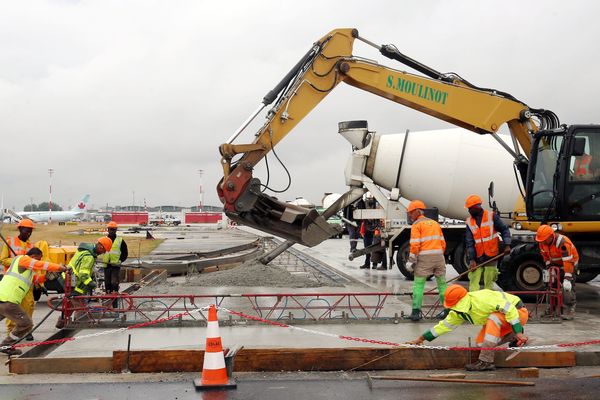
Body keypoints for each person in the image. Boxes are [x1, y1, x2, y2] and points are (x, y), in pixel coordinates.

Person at [408, 284, 529, 371]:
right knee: (481, 345)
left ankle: (486, 362)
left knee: (494, 318)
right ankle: (513, 337)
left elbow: (510, 309)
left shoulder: (482, 300)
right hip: (505, 321)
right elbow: (443, 326)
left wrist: (518, 330)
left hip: (518, 312)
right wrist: (421, 338)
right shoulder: (458, 312)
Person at [0, 248, 66, 355]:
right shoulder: (23, 259)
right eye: (38, 258)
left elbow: (36, 280)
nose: (38, 261)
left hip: (3, 297)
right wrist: (60, 268)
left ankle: (6, 345)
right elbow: (41, 265)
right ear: (34, 256)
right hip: (8, 299)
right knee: (26, 324)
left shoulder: (26, 270)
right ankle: (6, 345)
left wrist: (46, 277)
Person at [56, 237, 112, 328]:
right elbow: (83, 274)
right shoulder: (88, 256)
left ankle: (61, 322)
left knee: (71, 302)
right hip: (72, 283)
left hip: (68, 280)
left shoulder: (84, 251)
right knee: (80, 306)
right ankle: (80, 326)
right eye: (104, 251)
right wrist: (92, 284)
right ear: (101, 247)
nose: (103, 253)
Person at [405, 200, 447, 321]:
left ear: (418, 212)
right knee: (442, 284)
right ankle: (447, 310)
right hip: (439, 257)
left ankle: (416, 312)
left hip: (424, 259)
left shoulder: (417, 225)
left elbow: (415, 245)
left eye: (411, 213)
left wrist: (411, 261)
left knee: (418, 285)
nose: (409, 215)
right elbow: (443, 243)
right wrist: (438, 255)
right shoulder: (435, 224)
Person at [1, 219, 40, 341]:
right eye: (26, 230)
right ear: (20, 229)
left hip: (26, 282)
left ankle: (26, 330)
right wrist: (19, 261)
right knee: (13, 307)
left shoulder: (31, 246)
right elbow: (3, 259)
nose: (28, 233)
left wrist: (39, 282)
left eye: (30, 231)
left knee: (29, 305)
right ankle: (11, 332)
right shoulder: (10, 242)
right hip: (13, 281)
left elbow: (34, 265)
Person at [463, 194, 511, 292]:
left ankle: (487, 303)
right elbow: (469, 242)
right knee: (473, 282)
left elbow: (504, 229)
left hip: (492, 255)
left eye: (470, 208)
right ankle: (474, 300)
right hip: (478, 257)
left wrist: (507, 244)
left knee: (488, 284)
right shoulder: (469, 222)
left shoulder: (491, 216)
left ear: (476, 207)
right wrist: (472, 260)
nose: (468, 211)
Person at [535, 225, 579, 320]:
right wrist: (550, 267)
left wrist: (567, 278)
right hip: (555, 264)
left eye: (544, 239)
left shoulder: (563, 243)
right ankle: (551, 308)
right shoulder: (542, 242)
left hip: (569, 264)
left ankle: (568, 310)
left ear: (551, 236)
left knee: (567, 288)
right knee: (551, 285)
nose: (542, 242)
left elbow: (568, 261)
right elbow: (545, 257)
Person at [101, 221, 128, 307]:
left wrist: (120, 260)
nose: (112, 231)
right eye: (110, 229)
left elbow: (125, 252)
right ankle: (108, 303)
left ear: (116, 230)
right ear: (108, 230)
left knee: (114, 283)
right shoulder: (104, 240)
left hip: (115, 266)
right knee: (107, 283)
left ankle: (115, 304)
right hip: (106, 265)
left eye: (113, 229)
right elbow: (99, 249)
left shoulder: (120, 241)